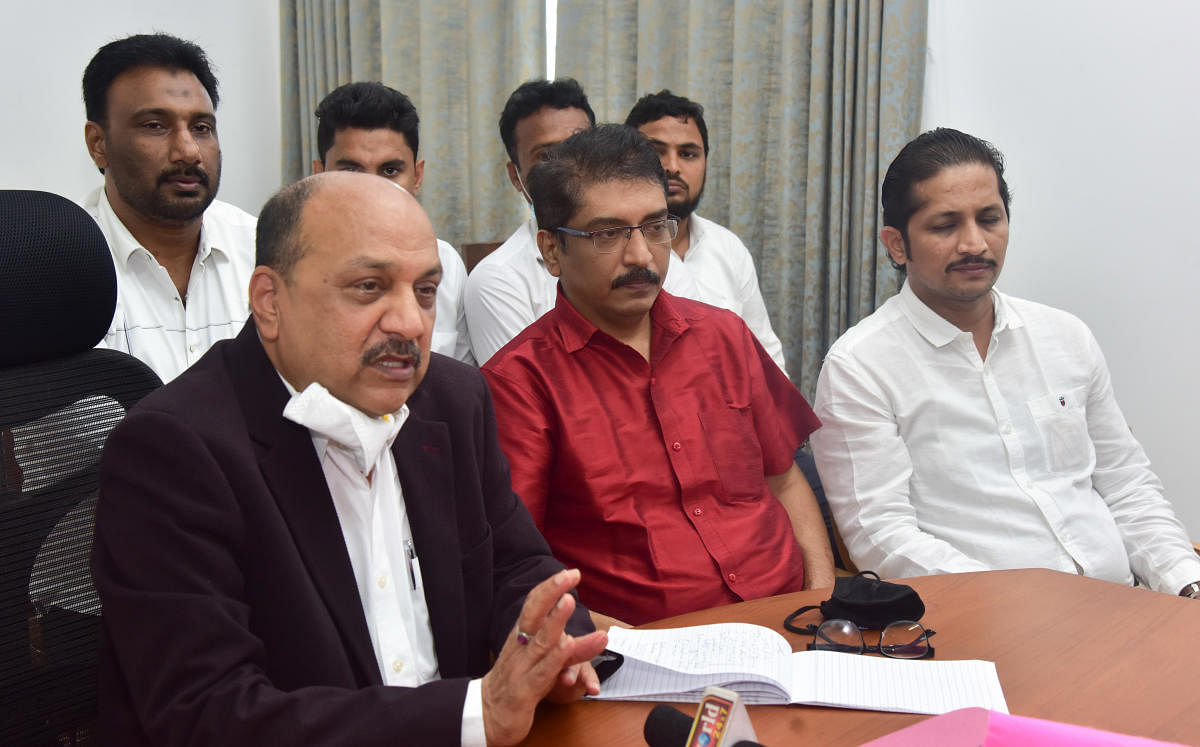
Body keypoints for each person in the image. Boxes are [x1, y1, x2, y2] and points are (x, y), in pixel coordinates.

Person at [92, 172, 607, 746]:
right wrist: (471, 714)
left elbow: (515, 565)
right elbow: (209, 714)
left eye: (426, 290)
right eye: (369, 287)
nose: (410, 323)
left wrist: (552, 651)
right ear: (269, 302)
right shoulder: (174, 450)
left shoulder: (453, 401)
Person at [811, 128, 1200, 600]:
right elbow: (881, 538)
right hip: (989, 621)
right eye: (945, 225)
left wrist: (1185, 581)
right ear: (897, 244)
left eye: (989, 219)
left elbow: (1126, 484)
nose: (974, 244)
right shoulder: (860, 367)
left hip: (1126, 602)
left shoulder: (1065, 336)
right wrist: (1013, 602)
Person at [481, 125, 836, 627]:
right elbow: (516, 571)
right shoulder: (519, 385)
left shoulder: (725, 337)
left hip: (791, 621)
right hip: (647, 653)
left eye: (654, 227)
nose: (641, 256)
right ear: (553, 251)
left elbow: (784, 480)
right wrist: (646, 652)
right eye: (607, 234)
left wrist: (822, 603)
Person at [465, 78, 695, 364]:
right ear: (516, 176)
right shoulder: (497, 280)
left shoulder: (652, 250)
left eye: (581, 147)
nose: (569, 166)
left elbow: (693, 353)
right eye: (547, 156)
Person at [81, 33, 256, 382]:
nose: (189, 151)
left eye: (201, 128)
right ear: (99, 144)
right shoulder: (57, 270)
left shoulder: (262, 248)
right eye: (155, 126)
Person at [625, 90, 787, 373]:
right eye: (656, 152)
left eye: (688, 154)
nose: (672, 167)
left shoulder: (728, 248)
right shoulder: (612, 252)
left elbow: (765, 356)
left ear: (705, 163)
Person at [313, 81, 474, 363]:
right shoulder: (297, 267)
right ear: (319, 175)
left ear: (417, 176)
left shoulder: (445, 265)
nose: (373, 188)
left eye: (390, 170)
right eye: (351, 170)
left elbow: (457, 382)